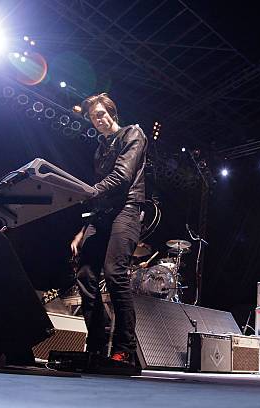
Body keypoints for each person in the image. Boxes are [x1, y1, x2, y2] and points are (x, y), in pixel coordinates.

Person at [70, 93, 147, 369]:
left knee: (115, 274)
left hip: (126, 210)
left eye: (101, 113)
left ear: (112, 112)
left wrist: (88, 192)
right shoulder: (99, 149)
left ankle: (124, 349)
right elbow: (99, 195)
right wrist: (83, 230)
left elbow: (122, 177)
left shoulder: (133, 134)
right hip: (101, 216)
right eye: (93, 117)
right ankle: (97, 342)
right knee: (85, 275)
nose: (98, 119)